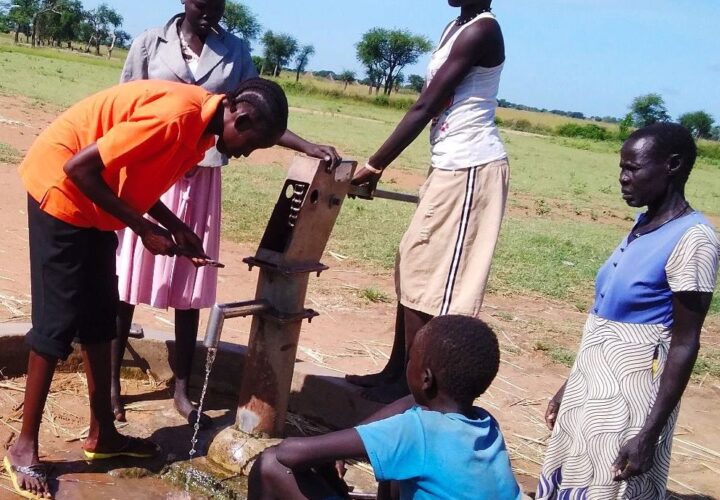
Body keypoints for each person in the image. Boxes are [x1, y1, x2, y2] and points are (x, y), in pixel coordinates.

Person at [3, 77, 290, 500]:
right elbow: (79, 167)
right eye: (251, 143)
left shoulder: (200, 131)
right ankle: (23, 446)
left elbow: (134, 176)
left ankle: (103, 433)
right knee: (57, 323)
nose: (246, 154)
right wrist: (143, 229)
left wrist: (177, 228)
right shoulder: (176, 116)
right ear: (240, 116)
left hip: (96, 204)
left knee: (101, 317)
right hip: (62, 191)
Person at [112, 0, 341, 426]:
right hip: (150, 169)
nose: (210, 13)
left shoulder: (235, 52)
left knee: (191, 280)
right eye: (202, 3)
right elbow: (126, 104)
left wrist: (306, 145)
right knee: (128, 277)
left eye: (217, 5)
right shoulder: (149, 43)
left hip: (201, 174)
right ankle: (110, 385)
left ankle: (182, 385)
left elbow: (258, 113)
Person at [537, 123, 719, 499]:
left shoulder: (694, 238)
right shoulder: (643, 224)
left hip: (630, 405)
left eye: (633, 168)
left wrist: (648, 433)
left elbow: (685, 342)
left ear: (671, 165)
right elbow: (603, 328)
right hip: (590, 393)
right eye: (622, 167)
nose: (623, 178)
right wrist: (567, 389)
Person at [345, 0, 509, 403]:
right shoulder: (456, 25)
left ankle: (412, 387)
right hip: (450, 164)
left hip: (470, 167)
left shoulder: (482, 30)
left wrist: (375, 164)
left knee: (432, 281)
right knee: (413, 263)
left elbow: (425, 106)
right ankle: (395, 373)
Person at [248, 315, 523, 500]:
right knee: (394, 467)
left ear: (425, 378)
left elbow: (290, 453)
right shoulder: (485, 424)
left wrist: (329, 452)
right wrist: (342, 448)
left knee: (270, 464)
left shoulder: (419, 431)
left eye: (410, 359)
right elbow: (414, 403)